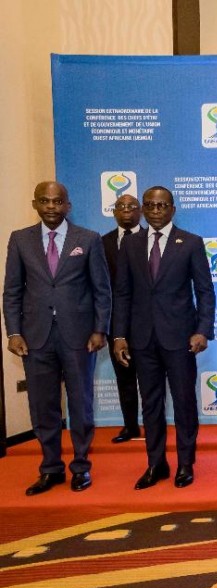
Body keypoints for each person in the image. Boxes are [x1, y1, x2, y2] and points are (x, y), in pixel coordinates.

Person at [3, 181, 111, 495]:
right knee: (43, 406)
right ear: (35, 204)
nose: (51, 206)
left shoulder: (88, 239)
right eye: (45, 201)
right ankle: (50, 469)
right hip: (35, 338)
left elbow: (102, 290)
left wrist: (100, 329)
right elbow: (12, 291)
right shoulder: (20, 239)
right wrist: (13, 332)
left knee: (80, 404)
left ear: (68, 205)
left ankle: (81, 467)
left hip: (79, 337)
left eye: (57, 201)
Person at [113, 186, 216, 490]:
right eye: (150, 205)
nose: (156, 211)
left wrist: (202, 330)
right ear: (143, 210)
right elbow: (122, 293)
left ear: (172, 209)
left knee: (184, 402)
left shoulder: (191, 242)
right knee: (151, 404)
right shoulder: (130, 244)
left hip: (180, 338)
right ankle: (156, 463)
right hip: (142, 339)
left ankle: (185, 463)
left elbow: (205, 291)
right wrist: (119, 335)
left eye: (162, 205)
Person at [102, 194, 143, 443]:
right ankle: (130, 426)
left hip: (147, 322)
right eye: (120, 206)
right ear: (114, 212)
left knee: (151, 378)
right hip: (115, 322)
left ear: (140, 211)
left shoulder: (152, 239)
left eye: (131, 206)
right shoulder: (102, 242)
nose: (126, 210)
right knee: (124, 377)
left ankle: (155, 424)